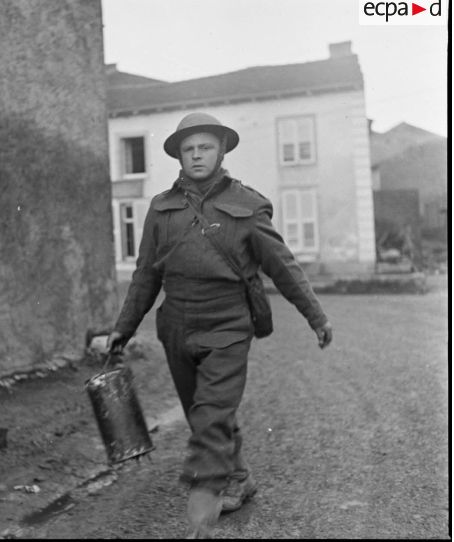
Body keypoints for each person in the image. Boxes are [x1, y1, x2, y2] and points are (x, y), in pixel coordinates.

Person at [107, 112, 333, 538]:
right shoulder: (160, 209)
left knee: (212, 413)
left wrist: (316, 316)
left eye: (205, 147)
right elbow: (145, 275)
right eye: (189, 149)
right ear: (178, 156)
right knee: (202, 413)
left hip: (227, 325)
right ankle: (239, 476)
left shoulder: (246, 206)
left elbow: (283, 267)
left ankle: (202, 509)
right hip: (176, 326)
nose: (196, 155)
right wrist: (124, 326)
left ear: (222, 151)